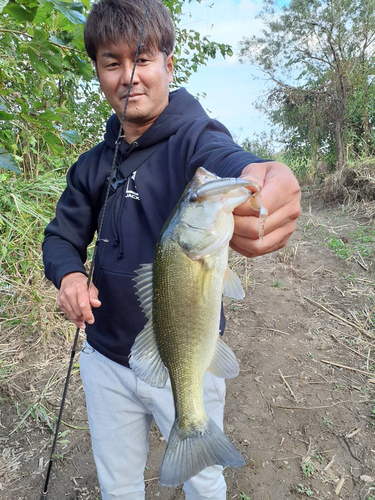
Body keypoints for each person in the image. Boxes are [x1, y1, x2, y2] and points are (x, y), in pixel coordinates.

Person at [42, 0, 301, 498]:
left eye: (142, 59)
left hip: (189, 360)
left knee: (204, 481)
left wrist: (265, 178)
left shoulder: (195, 142)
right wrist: (69, 276)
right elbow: (61, 237)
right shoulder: (93, 164)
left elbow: (228, 163)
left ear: (168, 65)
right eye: (112, 62)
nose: (129, 76)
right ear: (97, 71)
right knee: (117, 486)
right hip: (104, 359)